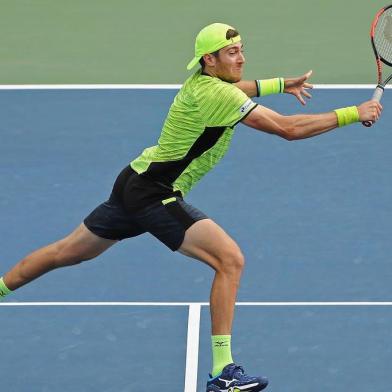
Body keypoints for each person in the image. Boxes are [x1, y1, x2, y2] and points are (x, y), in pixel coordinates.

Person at [0, 22, 382, 392]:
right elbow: (289, 129)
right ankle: (223, 373)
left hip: (134, 179)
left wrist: (282, 84)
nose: (242, 59)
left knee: (65, 253)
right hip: (155, 193)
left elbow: (243, 88)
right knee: (229, 260)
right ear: (209, 61)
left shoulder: (203, 84)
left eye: (242, 50)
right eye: (232, 53)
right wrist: (353, 113)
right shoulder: (221, 96)